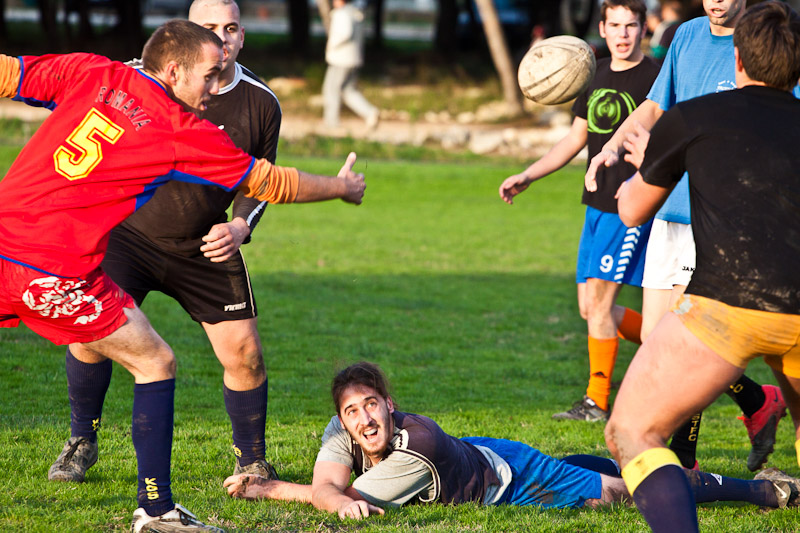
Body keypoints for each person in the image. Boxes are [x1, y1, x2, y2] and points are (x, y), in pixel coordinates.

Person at [0, 20, 365, 532]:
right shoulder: (176, 127)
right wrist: (341, 186)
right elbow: (269, 180)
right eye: (209, 76)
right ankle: (155, 513)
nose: (215, 87)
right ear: (174, 70)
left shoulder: (91, 70)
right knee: (155, 361)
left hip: (4, 242)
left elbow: (8, 73)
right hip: (56, 265)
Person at [49, 0, 283, 487]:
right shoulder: (140, 79)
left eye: (232, 27)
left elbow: (260, 185)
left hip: (205, 244)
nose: (223, 38)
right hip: (128, 235)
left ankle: (252, 459)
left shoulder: (261, 103)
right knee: (90, 333)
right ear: (183, 37)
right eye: (209, 28)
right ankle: (80, 440)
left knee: (245, 354)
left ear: (243, 36)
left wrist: (239, 229)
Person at [603, 2, 800, 531]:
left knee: (632, 431)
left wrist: (646, 165)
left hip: (729, 304)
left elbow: (631, 210)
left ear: (736, 59)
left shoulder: (694, 117)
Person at [221, 362, 800, 519]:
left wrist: (266, 489)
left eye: (372, 405)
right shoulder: (344, 424)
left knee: (628, 492)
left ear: (389, 404)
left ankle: (762, 493)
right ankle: (662, 462)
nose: (364, 419)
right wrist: (301, 489)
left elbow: (339, 497)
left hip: (514, 477)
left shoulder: (412, 448)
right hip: (484, 455)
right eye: (352, 412)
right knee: (593, 470)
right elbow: (328, 487)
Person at [499, 0, 659, 422]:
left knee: (602, 306)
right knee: (590, 307)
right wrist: (529, 174)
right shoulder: (591, 74)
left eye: (631, 25)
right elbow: (574, 140)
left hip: (629, 207)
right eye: (615, 25)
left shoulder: (658, 78)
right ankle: (685, 348)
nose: (623, 34)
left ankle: (596, 401)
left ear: (644, 29)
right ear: (602, 29)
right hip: (595, 206)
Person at [322, 0, 380, 129]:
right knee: (348, 90)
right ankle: (370, 112)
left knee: (331, 89)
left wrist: (330, 46)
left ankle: (331, 122)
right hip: (353, 58)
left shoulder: (341, 13)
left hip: (340, 59)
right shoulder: (355, 12)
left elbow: (344, 33)